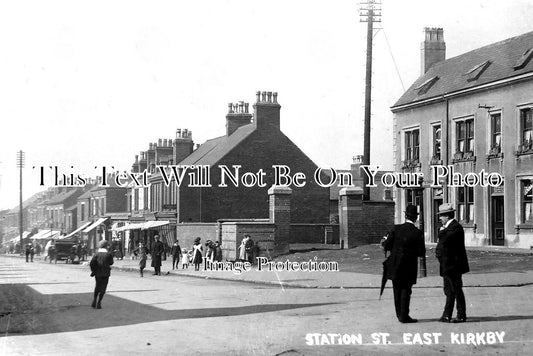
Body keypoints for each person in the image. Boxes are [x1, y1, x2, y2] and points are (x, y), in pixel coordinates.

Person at [382, 204, 426, 323]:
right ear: (415, 218)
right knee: (406, 290)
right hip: (409, 266)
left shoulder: (396, 229)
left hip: (395, 265)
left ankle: (399, 315)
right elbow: (421, 252)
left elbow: (387, 245)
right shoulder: (418, 232)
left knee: (396, 289)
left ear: (405, 215)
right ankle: (404, 315)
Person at [436, 203, 469, 323]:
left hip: (453, 265)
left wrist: (441, 231)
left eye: (441, 216)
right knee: (449, 290)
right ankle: (447, 315)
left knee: (456, 290)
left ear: (447, 216)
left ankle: (461, 315)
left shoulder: (455, 227)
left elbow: (445, 240)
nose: (440, 218)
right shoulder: (449, 228)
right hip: (447, 265)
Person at [89, 240, 114, 309]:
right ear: (106, 246)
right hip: (106, 274)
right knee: (103, 288)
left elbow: (92, 264)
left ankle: (94, 300)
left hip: (98, 274)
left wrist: (93, 271)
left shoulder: (96, 254)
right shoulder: (108, 254)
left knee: (97, 286)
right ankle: (99, 302)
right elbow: (111, 263)